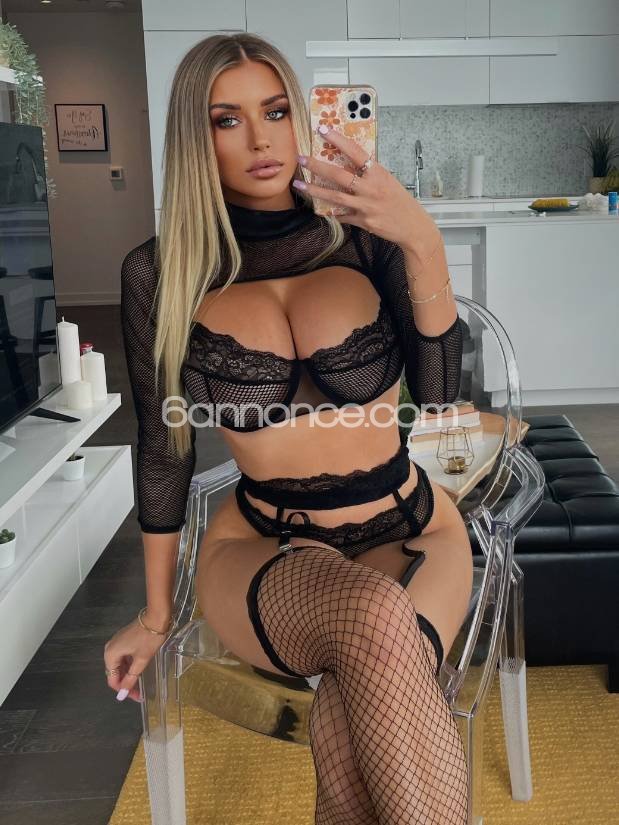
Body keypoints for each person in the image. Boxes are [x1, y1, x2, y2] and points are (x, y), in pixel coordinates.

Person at [104, 31, 474, 825]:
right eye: (227, 119)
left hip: (412, 525)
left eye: (274, 111)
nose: (260, 138)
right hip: (265, 543)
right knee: (372, 620)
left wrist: (420, 236)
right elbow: (163, 449)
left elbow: (442, 398)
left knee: (354, 698)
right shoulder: (160, 271)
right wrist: (154, 613)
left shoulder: (364, 235)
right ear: (195, 136)